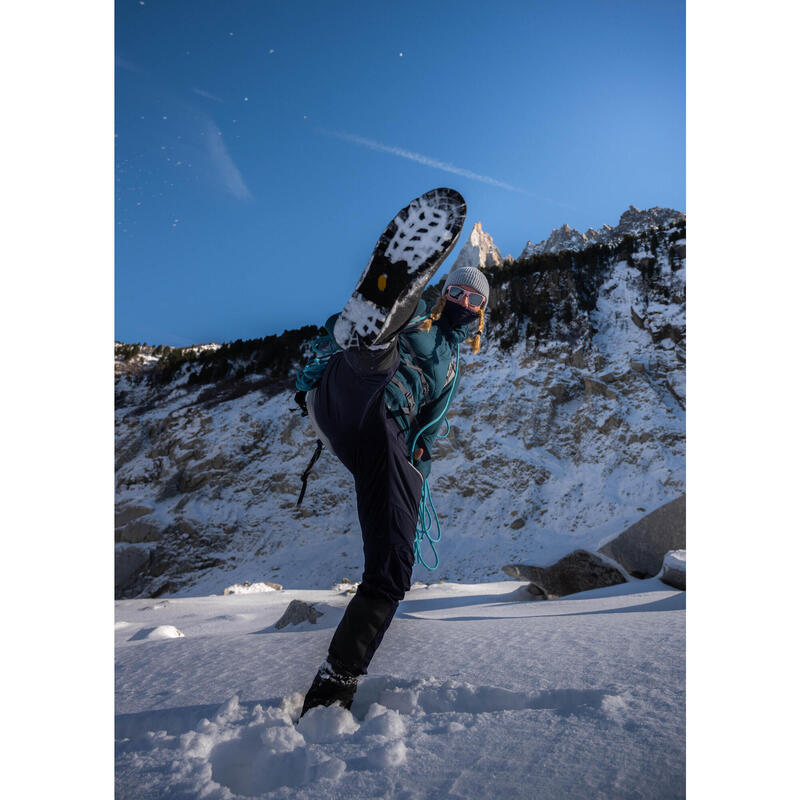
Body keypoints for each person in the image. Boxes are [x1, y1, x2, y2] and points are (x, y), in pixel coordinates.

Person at [293, 189, 490, 716]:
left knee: (394, 568)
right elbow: (322, 345)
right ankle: (371, 328)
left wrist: (414, 480)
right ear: (443, 290)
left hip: (383, 440)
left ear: (481, 315)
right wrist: (322, 357)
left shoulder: (450, 370)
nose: (463, 304)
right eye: (458, 293)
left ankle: (334, 688)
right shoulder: (423, 314)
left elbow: (428, 434)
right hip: (346, 395)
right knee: (375, 358)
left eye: (474, 302)